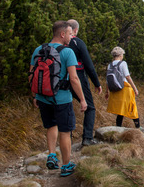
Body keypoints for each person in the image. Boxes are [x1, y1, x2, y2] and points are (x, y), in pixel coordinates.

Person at [29, 21, 87, 177]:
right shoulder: (68, 52)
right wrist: (82, 99)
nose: (71, 36)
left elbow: (31, 74)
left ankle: (52, 156)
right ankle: (66, 165)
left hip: (43, 97)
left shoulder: (38, 50)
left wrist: (35, 96)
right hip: (62, 99)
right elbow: (74, 79)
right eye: (69, 34)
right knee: (65, 132)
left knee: (50, 126)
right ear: (62, 34)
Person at [67, 19, 102, 146]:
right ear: (76, 30)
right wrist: (97, 83)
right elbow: (89, 65)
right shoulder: (78, 43)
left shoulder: (58, 43)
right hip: (78, 77)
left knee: (66, 106)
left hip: (61, 79)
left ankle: (67, 137)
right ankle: (87, 138)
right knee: (90, 107)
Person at [105, 47, 140, 129]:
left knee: (120, 111)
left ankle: (118, 128)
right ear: (120, 55)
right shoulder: (122, 63)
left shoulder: (110, 65)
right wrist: (135, 88)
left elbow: (107, 79)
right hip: (125, 88)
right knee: (132, 107)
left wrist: (107, 92)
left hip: (115, 89)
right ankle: (138, 127)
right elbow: (127, 76)